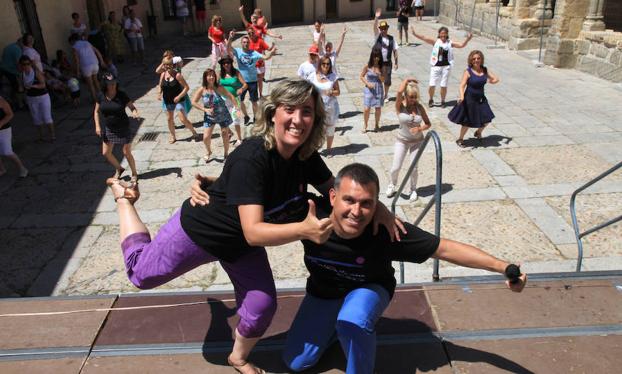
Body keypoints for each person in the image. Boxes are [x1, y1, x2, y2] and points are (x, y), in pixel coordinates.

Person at [107, 78, 400, 374]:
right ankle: (125, 201)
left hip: (241, 247)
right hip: (202, 232)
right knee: (140, 274)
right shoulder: (252, 156)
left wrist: (381, 209)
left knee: (261, 306)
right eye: (290, 109)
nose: (298, 119)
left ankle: (238, 357)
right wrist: (304, 229)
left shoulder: (304, 155)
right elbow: (254, 230)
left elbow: (337, 193)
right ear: (273, 113)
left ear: (316, 118)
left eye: (307, 111)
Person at [281, 163, 527, 374]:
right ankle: (336, 327)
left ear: (377, 205)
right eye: (349, 200)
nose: (356, 212)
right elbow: (254, 218)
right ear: (333, 197)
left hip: (369, 288)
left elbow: (445, 249)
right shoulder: (310, 217)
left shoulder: (386, 230)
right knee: (296, 362)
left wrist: (503, 267)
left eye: (367, 203)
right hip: (324, 292)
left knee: (352, 320)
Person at [386, 78, 431, 201]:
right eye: (411, 96)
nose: (413, 99)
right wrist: (406, 80)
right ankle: (392, 184)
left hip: (417, 142)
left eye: (415, 97)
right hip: (402, 140)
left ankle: (413, 189)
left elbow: (428, 123)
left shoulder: (420, 108)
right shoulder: (400, 106)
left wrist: (420, 129)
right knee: (396, 166)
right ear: (406, 95)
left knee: (414, 167)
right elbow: (399, 93)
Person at [411, 26, 472, 107]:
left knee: (443, 85)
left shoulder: (450, 43)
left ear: (447, 34)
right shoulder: (435, 42)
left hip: (446, 67)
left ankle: (443, 101)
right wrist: (414, 33)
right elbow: (423, 38)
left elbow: (461, 45)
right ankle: (431, 99)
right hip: (435, 66)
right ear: (439, 34)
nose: (443, 35)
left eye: (445, 34)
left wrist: (468, 39)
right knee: (432, 84)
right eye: (441, 33)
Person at [94, 73, 140, 182]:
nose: (112, 85)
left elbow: (132, 107)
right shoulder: (101, 95)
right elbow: (96, 111)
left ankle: (134, 173)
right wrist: (97, 126)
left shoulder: (121, 95)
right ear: (105, 84)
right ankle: (119, 169)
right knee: (106, 153)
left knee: (126, 152)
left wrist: (135, 113)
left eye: (114, 83)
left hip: (123, 127)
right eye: (110, 83)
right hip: (109, 128)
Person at [449, 50, 499, 147]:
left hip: (481, 99)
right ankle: (460, 139)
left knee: (487, 118)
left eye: (478, 58)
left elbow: (496, 79)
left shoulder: (484, 70)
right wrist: (462, 96)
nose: (476, 60)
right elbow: (462, 85)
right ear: (471, 60)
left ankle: (478, 132)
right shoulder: (468, 72)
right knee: (467, 122)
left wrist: (491, 81)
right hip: (469, 100)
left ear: (481, 59)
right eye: (474, 59)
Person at [191, 68, 240, 161]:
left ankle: (226, 153)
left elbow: (231, 96)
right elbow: (193, 102)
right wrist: (204, 109)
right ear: (205, 77)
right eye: (209, 75)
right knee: (205, 138)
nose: (211, 77)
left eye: (213, 75)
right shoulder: (202, 89)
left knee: (224, 134)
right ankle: (209, 151)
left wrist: (236, 108)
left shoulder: (219, 88)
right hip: (210, 117)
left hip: (223, 115)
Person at [226, 31, 275, 124]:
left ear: (249, 43)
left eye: (247, 42)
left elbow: (265, 57)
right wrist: (230, 38)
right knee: (240, 101)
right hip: (241, 82)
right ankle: (246, 116)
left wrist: (271, 53)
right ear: (241, 43)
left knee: (254, 101)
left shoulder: (254, 53)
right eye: (244, 42)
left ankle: (255, 118)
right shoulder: (238, 51)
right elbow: (228, 47)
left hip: (252, 81)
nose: (246, 44)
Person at [157, 57, 198, 144]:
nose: (168, 66)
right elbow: (160, 85)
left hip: (179, 100)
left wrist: (179, 97)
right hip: (167, 100)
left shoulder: (177, 75)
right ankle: (173, 136)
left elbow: (187, 88)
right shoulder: (163, 75)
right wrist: (159, 93)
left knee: (183, 119)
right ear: (163, 65)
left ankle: (193, 132)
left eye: (169, 64)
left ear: (173, 65)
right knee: (169, 119)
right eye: (165, 64)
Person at [18, 55, 55, 142]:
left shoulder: (36, 73)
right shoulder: (21, 75)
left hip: (43, 97)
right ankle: (41, 137)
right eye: (24, 64)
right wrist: (21, 89)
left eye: (28, 64)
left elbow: (43, 85)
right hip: (31, 98)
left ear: (30, 64)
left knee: (47, 117)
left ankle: (52, 136)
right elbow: (20, 87)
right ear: (21, 65)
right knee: (36, 118)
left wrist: (33, 86)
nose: (26, 66)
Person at [311, 56, 340, 155]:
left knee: (330, 128)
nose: (326, 66)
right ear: (320, 64)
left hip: (330, 107)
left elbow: (338, 92)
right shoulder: (313, 76)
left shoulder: (333, 76)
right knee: (316, 128)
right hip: (317, 106)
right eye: (324, 64)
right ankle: (315, 148)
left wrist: (331, 91)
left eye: (328, 64)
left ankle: (329, 149)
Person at [69, 33, 106, 102]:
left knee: (90, 83)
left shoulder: (75, 47)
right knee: (96, 80)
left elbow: (76, 60)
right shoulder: (87, 43)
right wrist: (102, 61)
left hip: (86, 66)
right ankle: (101, 96)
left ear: (73, 41)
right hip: (95, 63)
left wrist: (77, 71)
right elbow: (97, 51)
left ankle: (94, 98)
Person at [218, 56, 247, 145]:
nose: (226, 65)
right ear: (222, 65)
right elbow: (216, 85)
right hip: (223, 100)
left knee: (236, 119)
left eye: (228, 63)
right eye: (224, 63)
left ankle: (239, 138)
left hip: (235, 100)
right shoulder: (220, 74)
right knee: (222, 119)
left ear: (231, 64)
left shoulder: (236, 73)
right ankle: (230, 132)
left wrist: (241, 89)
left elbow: (245, 84)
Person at [372, 9, 398, 103]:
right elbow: (374, 27)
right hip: (378, 63)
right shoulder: (377, 37)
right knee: (378, 79)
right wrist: (376, 17)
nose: (383, 30)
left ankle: (386, 95)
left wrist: (396, 63)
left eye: (385, 28)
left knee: (387, 80)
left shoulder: (391, 39)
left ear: (387, 29)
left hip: (387, 63)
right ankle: (379, 94)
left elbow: (395, 50)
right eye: (381, 28)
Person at [0, 96, 28, 178]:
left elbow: (10, 114)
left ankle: (22, 168)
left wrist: (1, 123)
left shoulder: (1, 101)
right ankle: (2, 170)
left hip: (4, 130)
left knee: (7, 151)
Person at [360, 47, 384, 133]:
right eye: (375, 56)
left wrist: (379, 74)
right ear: (372, 56)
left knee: (378, 108)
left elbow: (383, 80)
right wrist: (367, 83)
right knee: (367, 108)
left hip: (378, 88)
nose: (376, 58)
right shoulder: (368, 66)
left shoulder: (381, 67)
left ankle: (377, 124)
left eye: (378, 57)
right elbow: (361, 76)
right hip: (369, 88)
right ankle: (365, 124)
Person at [247, 27, 276, 98]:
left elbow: (268, 49)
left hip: (260, 64)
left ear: (254, 32)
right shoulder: (247, 42)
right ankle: (255, 94)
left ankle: (260, 94)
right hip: (251, 65)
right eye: (249, 33)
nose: (251, 34)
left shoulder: (260, 41)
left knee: (260, 80)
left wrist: (272, 47)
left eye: (252, 33)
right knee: (254, 81)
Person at [0, 38, 24, 109]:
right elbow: (18, 63)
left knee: (8, 90)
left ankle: (11, 104)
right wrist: (21, 73)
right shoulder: (17, 49)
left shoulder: (8, 47)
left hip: (3, 71)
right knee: (18, 88)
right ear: (21, 42)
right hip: (12, 72)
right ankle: (20, 105)